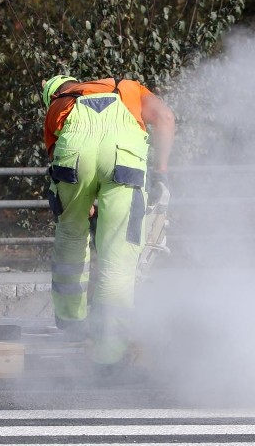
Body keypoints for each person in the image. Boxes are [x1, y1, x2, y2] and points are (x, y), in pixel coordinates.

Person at [41, 74, 175, 374]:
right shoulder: (127, 88)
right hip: (124, 161)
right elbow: (165, 117)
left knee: (71, 235)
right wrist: (162, 172)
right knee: (118, 260)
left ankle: (72, 323)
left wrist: (84, 200)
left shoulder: (58, 106)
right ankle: (109, 356)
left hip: (74, 158)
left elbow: (66, 167)